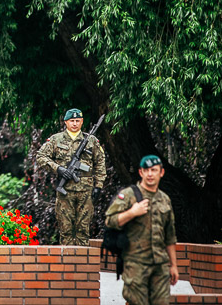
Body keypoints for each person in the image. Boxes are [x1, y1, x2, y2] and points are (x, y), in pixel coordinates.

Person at [105, 155, 179, 305]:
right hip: (136, 265)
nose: (150, 174)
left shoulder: (165, 199)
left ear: (161, 172)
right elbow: (110, 221)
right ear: (140, 172)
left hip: (160, 265)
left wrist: (173, 266)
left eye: (154, 170)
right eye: (146, 170)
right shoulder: (128, 195)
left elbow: (170, 236)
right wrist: (132, 212)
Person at [35, 107, 107, 245]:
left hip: (86, 191)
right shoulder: (56, 139)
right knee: (65, 230)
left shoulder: (91, 140)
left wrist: (98, 186)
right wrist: (59, 169)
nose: (75, 123)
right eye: (72, 121)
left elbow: (100, 164)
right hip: (65, 192)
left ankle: (82, 264)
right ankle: (67, 263)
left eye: (77, 120)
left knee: (83, 230)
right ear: (66, 122)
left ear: (82, 122)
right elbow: (41, 157)